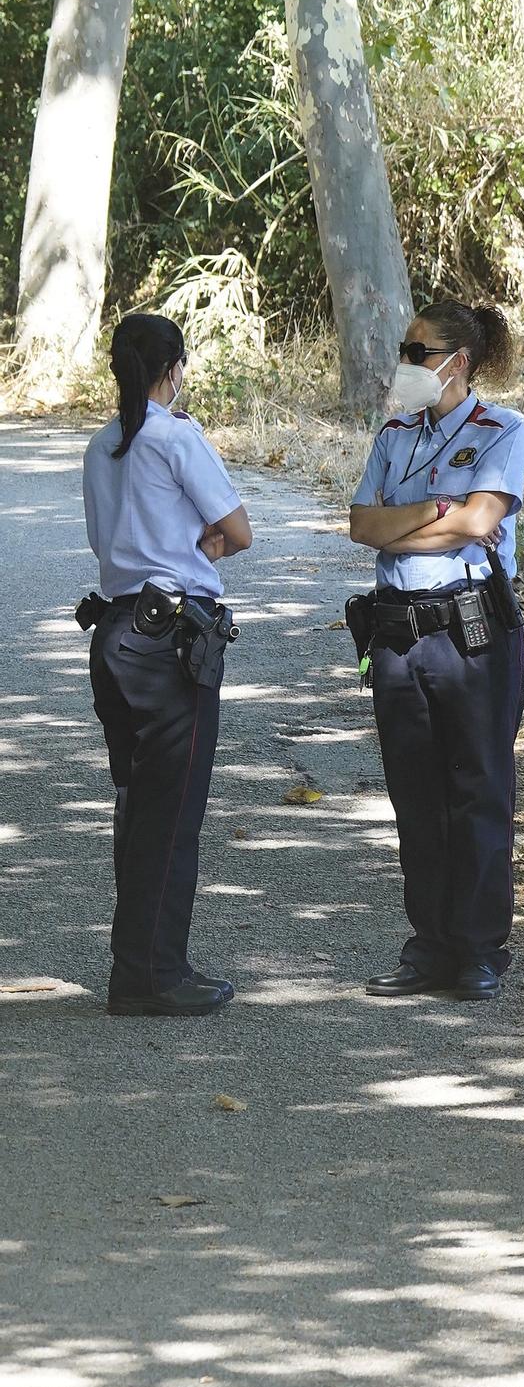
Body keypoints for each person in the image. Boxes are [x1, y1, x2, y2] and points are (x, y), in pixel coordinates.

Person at [349, 298, 524, 1002]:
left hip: (470, 630)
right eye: (404, 350)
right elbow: (362, 526)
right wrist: (437, 514)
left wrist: (428, 523)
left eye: (417, 352)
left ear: (458, 362)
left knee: (478, 790)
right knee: (415, 796)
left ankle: (480, 948)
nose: (405, 364)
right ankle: (428, 946)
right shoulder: (394, 434)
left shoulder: (501, 430)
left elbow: (482, 519)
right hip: (396, 631)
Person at [81, 314, 253, 1016]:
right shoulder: (176, 437)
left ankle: (138, 968)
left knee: (138, 807)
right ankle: (155, 975)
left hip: (117, 632)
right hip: (171, 641)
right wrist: (197, 553)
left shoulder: (102, 442)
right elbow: (237, 531)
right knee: (171, 815)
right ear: (173, 369)